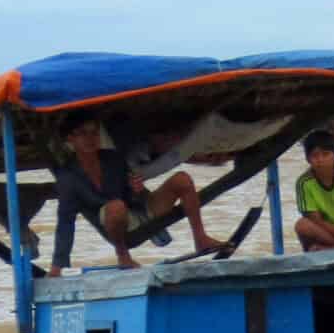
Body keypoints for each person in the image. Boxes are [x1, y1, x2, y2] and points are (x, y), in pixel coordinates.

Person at [56, 115, 224, 269]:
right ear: (70, 138)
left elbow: (133, 195)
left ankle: (200, 238)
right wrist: (59, 265)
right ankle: (123, 256)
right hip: (112, 220)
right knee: (116, 207)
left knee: (182, 179)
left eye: (94, 133)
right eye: (82, 134)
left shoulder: (112, 159)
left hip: (137, 210)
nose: (90, 139)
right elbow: (65, 221)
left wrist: (138, 189)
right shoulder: (68, 176)